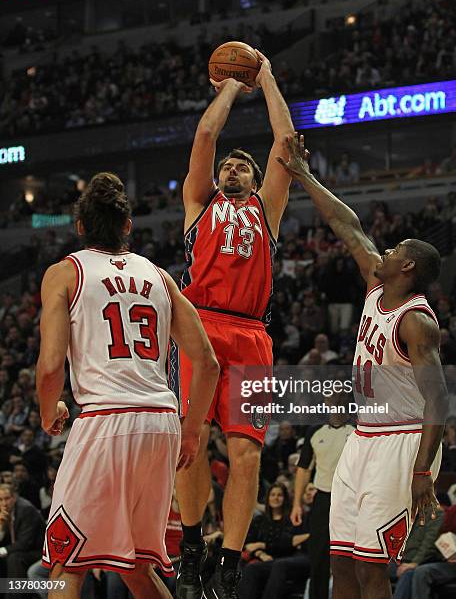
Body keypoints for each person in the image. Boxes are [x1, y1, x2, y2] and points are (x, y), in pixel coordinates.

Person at [277, 133, 448, 599]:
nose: (385, 251)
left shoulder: (416, 323)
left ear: (408, 266)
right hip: (363, 437)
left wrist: (420, 471)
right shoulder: (377, 286)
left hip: (402, 442)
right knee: (341, 561)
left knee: (373, 568)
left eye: (395, 250)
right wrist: (304, 175)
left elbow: (439, 398)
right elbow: (346, 224)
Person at [36, 172, 219, 599]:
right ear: (127, 226)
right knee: (135, 562)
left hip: (106, 421)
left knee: (68, 562)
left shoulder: (64, 274)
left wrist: (50, 412)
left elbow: (49, 369)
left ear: (80, 227)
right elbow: (207, 363)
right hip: (160, 423)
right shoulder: (158, 276)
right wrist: (190, 431)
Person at [172, 50, 294, 599]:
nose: (234, 168)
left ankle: (229, 561)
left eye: (243, 164)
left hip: (251, 336)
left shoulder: (266, 209)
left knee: (247, 454)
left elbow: (285, 144)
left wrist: (264, 77)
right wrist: (227, 86)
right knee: (189, 443)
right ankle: (192, 545)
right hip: (199, 329)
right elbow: (204, 137)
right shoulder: (200, 204)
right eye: (230, 164)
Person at [290, 405, 353, 599]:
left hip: (350, 499)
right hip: (322, 498)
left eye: (342, 396)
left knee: (348, 558)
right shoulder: (314, 430)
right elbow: (304, 468)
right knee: (318, 558)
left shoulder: (358, 429)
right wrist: (296, 504)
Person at [411, 472, 456, 598]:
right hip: (452, 562)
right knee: (421, 572)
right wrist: (447, 554)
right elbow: (441, 536)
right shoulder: (453, 511)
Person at [0, 483, 45, 596]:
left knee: (14, 558)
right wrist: (1, 526)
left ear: (14, 497)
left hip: (40, 551)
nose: (4, 503)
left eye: (7, 499)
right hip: (21, 550)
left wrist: (2, 551)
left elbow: (25, 543)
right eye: (0, 499)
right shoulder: (3, 511)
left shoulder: (26, 509)